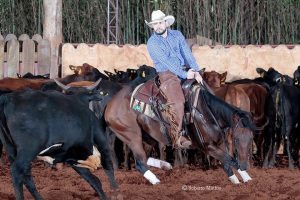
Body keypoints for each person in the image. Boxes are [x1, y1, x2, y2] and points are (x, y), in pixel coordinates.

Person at [145, 10, 203, 148]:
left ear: (166, 23)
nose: (157, 26)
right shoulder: (152, 43)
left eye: (159, 23)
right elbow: (166, 62)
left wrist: (196, 71)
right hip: (167, 74)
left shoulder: (177, 35)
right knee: (177, 101)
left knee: (205, 90)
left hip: (185, 70)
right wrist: (184, 74)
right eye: (154, 24)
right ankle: (177, 136)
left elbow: (187, 53)